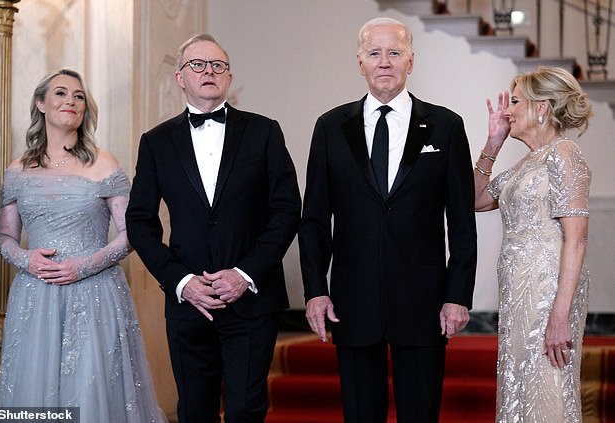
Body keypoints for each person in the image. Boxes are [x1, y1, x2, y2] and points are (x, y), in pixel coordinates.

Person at [298, 17, 477, 422]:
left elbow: (462, 223)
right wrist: (315, 289)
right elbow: (313, 219)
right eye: (374, 53)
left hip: (425, 303)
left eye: (394, 53)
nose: (384, 62)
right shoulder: (329, 127)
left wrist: (458, 294)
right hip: (351, 300)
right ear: (359, 62)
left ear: (410, 61)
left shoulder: (447, 126)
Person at [125, 34, 301, 423]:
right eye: (198, 65)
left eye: (218, 65)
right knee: (194, 410)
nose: (209, 72)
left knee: (245, 410)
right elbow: (139, 221)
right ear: (180, 77)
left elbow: (287, 210)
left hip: (252, 299)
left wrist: (245, 274)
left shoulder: (264, 131)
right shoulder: (155, 142)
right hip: (189, 302)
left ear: (229, 76)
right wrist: (181, 281)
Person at [0, 68, 165, 422]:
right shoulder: (17, 170)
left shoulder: (104, 163)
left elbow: (131, 233)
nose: (70, 100)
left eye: (78, 96)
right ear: (41, 103)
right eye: (60, 93)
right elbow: (3, 237)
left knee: (91, 390)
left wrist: (82, 266)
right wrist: (26, 259)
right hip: (36, 296)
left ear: (85, 109)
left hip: (95, 294)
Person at [475, 66, 593, 422]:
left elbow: (577, 237)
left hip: (548, 291)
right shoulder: (526, 162)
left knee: (546, 379)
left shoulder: (565, 153)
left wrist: (560, 315)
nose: (506, 110)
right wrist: (492, 143)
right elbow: (474, 200)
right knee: (520, 379)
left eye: (514, 101)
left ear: (542, 107)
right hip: (518, 290)